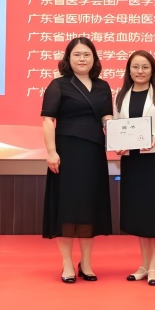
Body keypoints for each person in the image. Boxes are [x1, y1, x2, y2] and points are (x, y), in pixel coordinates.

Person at [41, 37, 114, 283]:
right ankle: (67, 264)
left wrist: (120, 136)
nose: (82, 59)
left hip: (93, 153)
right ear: (68, 58)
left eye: (87, 54)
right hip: (67, 153)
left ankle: (87, 263)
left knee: (89, 206)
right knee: (67, 207)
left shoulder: (103, 86)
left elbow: (106, 118)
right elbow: (47, 120)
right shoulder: (58, 85)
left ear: (94, 58)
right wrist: (51, 152)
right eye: (77, 54)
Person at [113, 50, 155, 286]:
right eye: (135, 67)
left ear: (152, 70)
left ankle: (154, 267)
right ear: (128, 70)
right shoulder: (121, 95)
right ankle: (143, 265)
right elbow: (119, 126)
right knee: (140, 212)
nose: (139, 71)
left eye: (145, 67)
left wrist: (153, 138)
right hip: (132, 161)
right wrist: (118, 144)